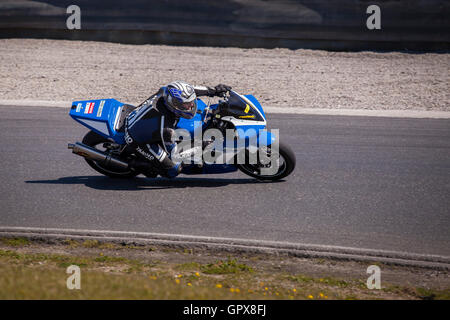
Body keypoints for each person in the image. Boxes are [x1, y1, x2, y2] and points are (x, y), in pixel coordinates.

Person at [124, 81, 231, 178]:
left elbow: (192, 90)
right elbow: (175, 155)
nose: (191, 107)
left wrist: (214, 90)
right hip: (137, 138)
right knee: (174, 169)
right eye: (186, 105)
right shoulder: (166, 129)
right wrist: (200, 146)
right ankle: (139, 165)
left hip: (141, 119)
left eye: (191, 102)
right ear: (174, 105)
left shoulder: (166, 91)